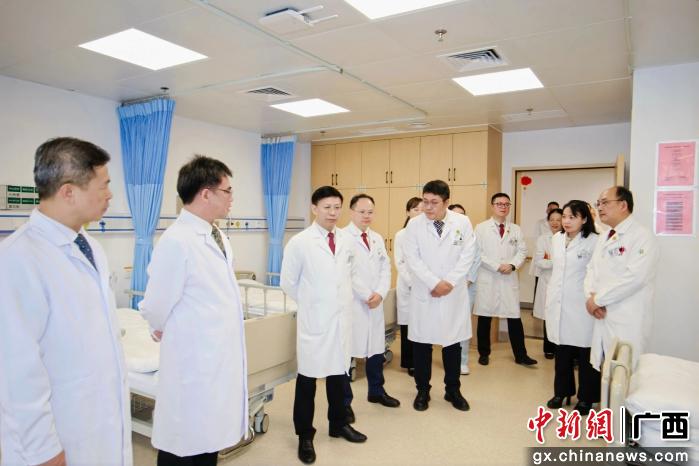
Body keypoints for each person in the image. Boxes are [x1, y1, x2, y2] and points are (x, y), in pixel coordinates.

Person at [0, 137, 132, 465]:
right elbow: (15, 374)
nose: (110, 194)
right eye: (104, 185)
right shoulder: (17, 259)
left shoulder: (89, 247)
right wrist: (42, 451)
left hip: (98, 425)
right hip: (56, 440)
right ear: (69, 191)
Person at [140, 156, 247, 466]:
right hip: (192, 359)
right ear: (206, 194)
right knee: (182, 442)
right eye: (227, 190)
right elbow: (156, 304)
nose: (232, 197)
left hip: (214, 355)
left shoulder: (218, 235)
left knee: (207, 440)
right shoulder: (176, 241)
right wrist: (159, 326)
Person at [281, 186, 367, 465]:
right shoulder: (300, 242)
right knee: (307, 382)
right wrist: (314, 304)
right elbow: (288, 283)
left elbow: (350, 275)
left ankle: (339, 424)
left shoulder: (346, 240)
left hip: (341, 321)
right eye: (327, 207)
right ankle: (305, 436)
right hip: (315, 322)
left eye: (337, 207)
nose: (332, 212)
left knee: (339, 377)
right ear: (314, 208)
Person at [402, 180, 476, 412]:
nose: (428, 207)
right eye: (425, 201)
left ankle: (453, 390)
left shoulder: (462, 222)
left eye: (434, 202)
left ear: (446, 202)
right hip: (426, 291)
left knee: (452, 344)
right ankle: (422, 390)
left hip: (452, 293)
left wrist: (449, 282)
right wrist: (434, 283)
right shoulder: (414, 225)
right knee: (422, 345)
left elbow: (468, 254)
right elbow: (412, 258)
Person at [584, 186, 659, 370]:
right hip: (602, 314)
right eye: (598, 203)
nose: (599, 207)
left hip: (627, 317)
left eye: (605, 202)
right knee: (607, 371)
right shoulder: (605, 236)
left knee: (626, 372)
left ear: (623, 205)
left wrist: (598, 300)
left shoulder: (642, 236)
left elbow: (636, 277)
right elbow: (591, 269)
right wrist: (590, 297)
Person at [342, 194, 398, 409]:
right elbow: (348, 272)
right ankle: (344, 403)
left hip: (375, 302)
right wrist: (367, 295)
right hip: (355, 303)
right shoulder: (343, 237)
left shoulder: (376, 238)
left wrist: (381, 293)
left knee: (376, 349)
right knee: (346, 354)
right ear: (351, 212)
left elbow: (386, 267)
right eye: (362, 211)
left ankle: (376, 391)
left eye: (370, 212)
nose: (366, 216)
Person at [544, 201, 600, 415]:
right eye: (564, 217)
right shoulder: (557, 239)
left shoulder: (594, 241)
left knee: (586, 351)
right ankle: (562, 392)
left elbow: (598, 274)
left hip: (582, 304)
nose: (566, 221)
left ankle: (587, 397)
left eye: (572, 217)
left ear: (584, 219)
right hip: (559, 301)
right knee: (562, 350)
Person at [474, 193, 537, 366]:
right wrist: (497, 266)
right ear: (492, 206)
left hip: (509, 278)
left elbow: (522, 251)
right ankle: (484, 353)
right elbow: (477, 252)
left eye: (506, 204)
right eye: (499, 203)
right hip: (488, 277)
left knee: (514, 317)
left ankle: (521, 355)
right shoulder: (481, 228)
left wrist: (512, 265)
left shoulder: (515, 229)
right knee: (484, 318)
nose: (503, 207)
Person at [448, 203, 481, 375]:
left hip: (466, 286)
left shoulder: (470, 235)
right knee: (446, 323)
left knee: (462, 324)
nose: (459, 217)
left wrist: (467, 280)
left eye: (462, 214)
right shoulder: (443, 235)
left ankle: (462, 361)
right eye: (455, 214)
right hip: (446, 287)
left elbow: (476, 259)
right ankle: (449, 359)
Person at [393, 197, 423, 376]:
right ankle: (409, 362)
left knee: (422, 324)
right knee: (408, 326)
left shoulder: (426, 233)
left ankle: (421, 360)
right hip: (407, 285)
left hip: (425, 285)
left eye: (422, 210)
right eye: (415, 209)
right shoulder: (401, 235)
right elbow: (400, 262)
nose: (419, 213)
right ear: (408, 212)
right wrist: (413, 282)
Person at [531, 208, 563, 359]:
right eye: (552, 220)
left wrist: (550, 260)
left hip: (564, 283)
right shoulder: (543, 239)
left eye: (558, 219)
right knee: (548, 316)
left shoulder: (569, 237)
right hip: (547, 281)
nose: (555, 223)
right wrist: (557, 262)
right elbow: (539, 261)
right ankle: (549, 348)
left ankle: (562, 349)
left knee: (563, 316)